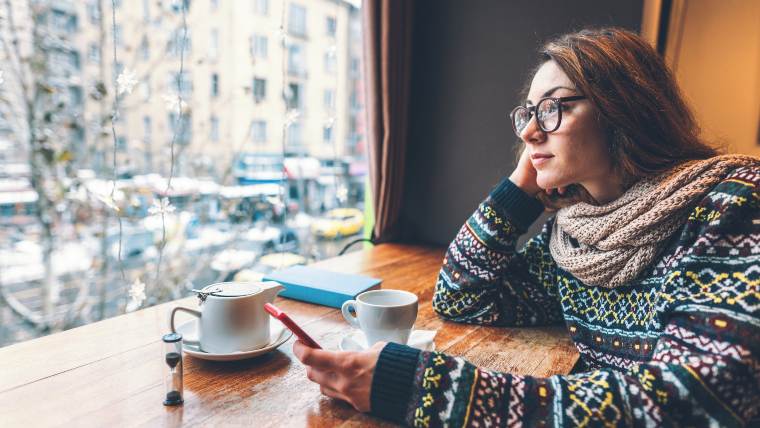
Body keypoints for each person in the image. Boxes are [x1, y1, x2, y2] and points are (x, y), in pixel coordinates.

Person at [293, 27, 760, 426]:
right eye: (529, 113)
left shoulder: (732, 203)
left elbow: (701, 400)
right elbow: (464, 297)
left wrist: (425, 389)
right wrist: (521, 186)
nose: (529, 132)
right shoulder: (578, 231)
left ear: (625, 108)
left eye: (554, 109)